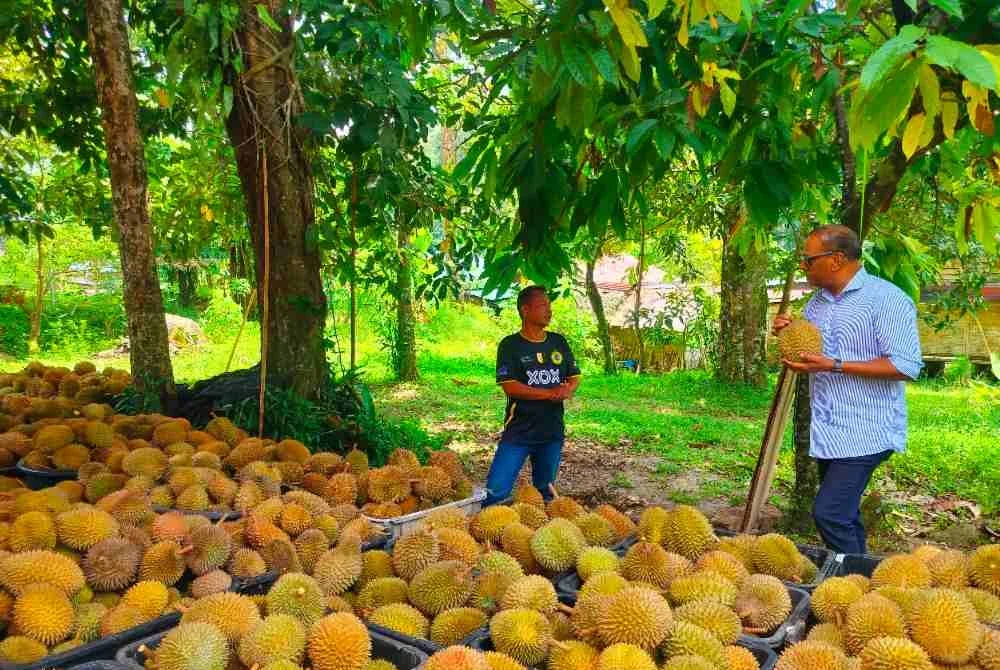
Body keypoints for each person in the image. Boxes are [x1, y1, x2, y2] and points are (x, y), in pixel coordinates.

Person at [774, 224, 922, 554]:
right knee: (845, 514)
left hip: (867, 430)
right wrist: (788, 330)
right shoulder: (817, 304)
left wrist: (835, 365)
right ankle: (861, 580)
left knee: (830, 513)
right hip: (829, 430)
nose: (803, 266)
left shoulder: (886, 300)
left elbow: (905, 366)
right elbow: (810, 350)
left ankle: (854, 583)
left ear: (836, 259)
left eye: (808, 259)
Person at [484, 286, 581, 505]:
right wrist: (549, 394)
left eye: (549, 305)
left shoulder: (558, 342)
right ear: (525, 310)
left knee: (544, 491)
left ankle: (541, 527)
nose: (549, 310)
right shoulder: (510, 345)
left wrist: (568, 389)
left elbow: (574, 376)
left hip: (552, 430)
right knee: (495, 491)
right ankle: (486, 530)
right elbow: (510, 386)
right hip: (519, 430)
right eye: (542, 305)